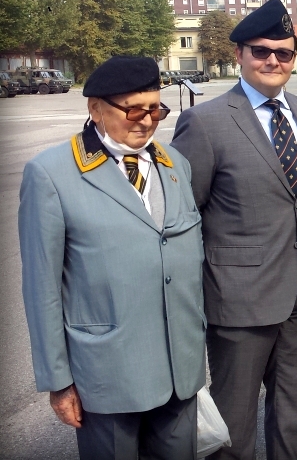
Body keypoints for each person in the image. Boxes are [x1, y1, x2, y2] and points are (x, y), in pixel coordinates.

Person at [19, 56, 206, 459]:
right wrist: (58, 380)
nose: (147, 120)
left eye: (156, 109)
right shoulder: (51, 174)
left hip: (179, 369)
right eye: (134, 110)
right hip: (107, 377)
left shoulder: (176, 166)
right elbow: (42, 288)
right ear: (95, 108)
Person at [171, 0, 297, 460]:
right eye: (261, 51)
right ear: (239, 53)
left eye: (283, 52)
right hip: (239, 301)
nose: (273, 61)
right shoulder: (204, 123)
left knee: (292, 419)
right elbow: (184, 219)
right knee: (232, 428)